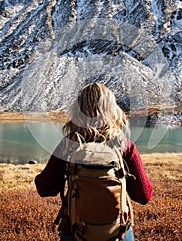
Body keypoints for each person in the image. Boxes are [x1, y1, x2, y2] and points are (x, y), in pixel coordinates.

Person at [35, 82, 153, 241]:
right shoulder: (125, 146)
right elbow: (144, 196)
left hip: (75, 232)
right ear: (112, 110)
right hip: (119, 233)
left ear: (78, 112)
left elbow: (45, 189)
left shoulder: (69, 145)